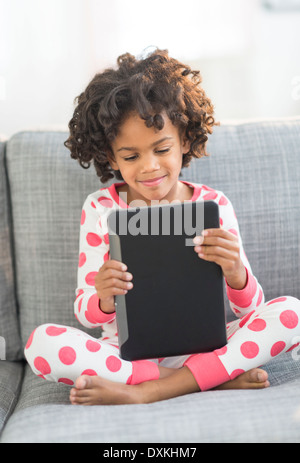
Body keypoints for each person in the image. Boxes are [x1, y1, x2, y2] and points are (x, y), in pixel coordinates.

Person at [25, 49, 300, 405]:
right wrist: (104, 296)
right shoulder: (100, 208)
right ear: (111, 157)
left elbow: (251, 309)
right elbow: (85, 313)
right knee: (41, 344)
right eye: (131, 156)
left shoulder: (214, 206)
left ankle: (151, 391)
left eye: (161, 149)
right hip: (126, 354)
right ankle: (206, 380)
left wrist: (236, 273)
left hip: (207, 346)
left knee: (292, 313)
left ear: (184, 141)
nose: (150, 167)